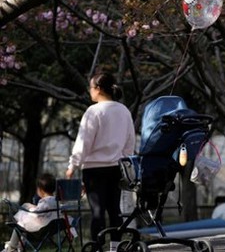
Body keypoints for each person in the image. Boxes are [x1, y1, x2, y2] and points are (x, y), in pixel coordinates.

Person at [66, 72, 136, 249]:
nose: (90, 91)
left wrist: (73, 165)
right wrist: (125, 162)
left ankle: (97, 247)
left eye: (91, 88)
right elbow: (130, 142)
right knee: (115, 211)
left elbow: (84, 142)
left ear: (97, 89)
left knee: (98, 211)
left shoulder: (93, 111)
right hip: (117, 167)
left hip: (94, 169)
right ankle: (115, 247)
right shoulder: (124, 111)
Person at [3, 173, 58, 252]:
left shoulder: (44, 202)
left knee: (20, 222)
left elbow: (38, 215)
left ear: (40, 190)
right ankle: (17, 245)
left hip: (40, 230)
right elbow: (44, 211)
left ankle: (11, 247)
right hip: (51, 228)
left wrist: (31, 209)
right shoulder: (56, 201)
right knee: (24, 219)